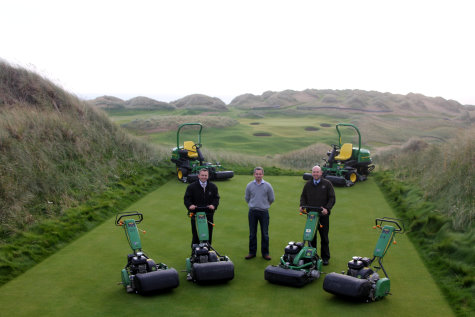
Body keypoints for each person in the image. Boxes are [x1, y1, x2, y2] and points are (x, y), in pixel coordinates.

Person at [299, 165, 335, 265]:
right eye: (314, 172)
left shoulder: (327, 184)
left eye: (317, 172)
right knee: (311, 237)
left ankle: (325, 258)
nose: (315, 174)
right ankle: (312, 256)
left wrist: (327, 209)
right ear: (312, 173)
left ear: (321, 173)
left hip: (323, 215)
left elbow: (332, 198)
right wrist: (302, 205)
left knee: (324, 237)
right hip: (311, 215)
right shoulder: (308, 184)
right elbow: (303, 196)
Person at [245, 167, 275, 260]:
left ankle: (265, 253)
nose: (258, 175)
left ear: (263, 174)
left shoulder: (268, 186)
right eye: (256, 174)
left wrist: (264, 205)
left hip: (264, 212)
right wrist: (254, 204)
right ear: (254, 174)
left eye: (260, 174)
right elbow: (247, 198)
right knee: (252, 233)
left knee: (265, 234)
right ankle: (252, 252)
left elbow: (272, 199)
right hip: (252, 212)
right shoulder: (249, 185)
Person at [184, 168, 220, 246]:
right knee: (196, 234)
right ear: (198, 176)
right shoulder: (191, 187)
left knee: (208, 233)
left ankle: (208, 250)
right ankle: (195, 252)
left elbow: (216, 198)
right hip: (196, 214)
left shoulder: (213, 187)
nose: (204, 177)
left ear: (208, 176)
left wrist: (213, 205)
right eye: (202, 175)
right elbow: (187, 199)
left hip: (209, 214)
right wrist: (190, 205)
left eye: (205, 175)